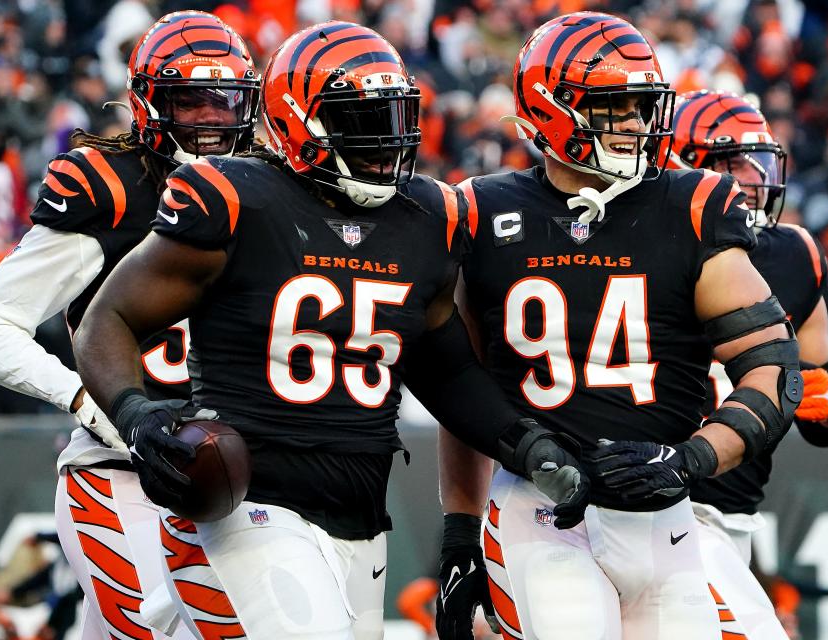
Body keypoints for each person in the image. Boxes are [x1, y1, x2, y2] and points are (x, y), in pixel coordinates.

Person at [72, 22, 588, 640]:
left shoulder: (426, 216)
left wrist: (525, 443)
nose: (386, 138)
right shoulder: (236, 198)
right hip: (246, 504)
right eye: (361, 118)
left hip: (361, 515)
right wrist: (135, 414)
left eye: (394, 115)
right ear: (298, 119)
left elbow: (444, 367)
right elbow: (109, 317)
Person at [436, 12, 803, 640]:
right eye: (615, 107)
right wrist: (460, 530)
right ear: (551, 109)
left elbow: (775, 371)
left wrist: (691, 458)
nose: (636, 123)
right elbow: (460, 388)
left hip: (665, 514)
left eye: (641, 105)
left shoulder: (692, 204)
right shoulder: (482, 210)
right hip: (538, 505)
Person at [0, 11, 259, 640]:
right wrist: (89, 400)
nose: (210, 119)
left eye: (224, 100)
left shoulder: (267, 190)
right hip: (124, 471)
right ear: (150, 104)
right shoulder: (113, 190)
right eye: (189, 102)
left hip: (241, 474)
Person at [669, 89, 828, 639]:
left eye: (758, 163)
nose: (751, 179)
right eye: (730, 163)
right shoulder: (653, 244)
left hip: (736, 513)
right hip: (663, 502)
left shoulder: (794, 253)